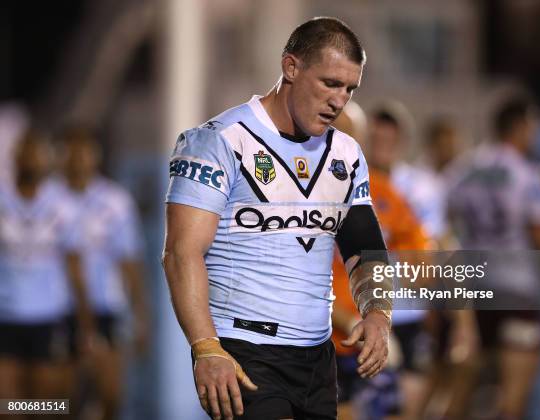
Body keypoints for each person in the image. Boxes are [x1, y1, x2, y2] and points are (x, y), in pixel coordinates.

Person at [162, 17, 392, 420]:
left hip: (318, 357)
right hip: (245, 351)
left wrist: (377, 314)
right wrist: (205, 347)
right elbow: (181, 253)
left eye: (350, 88)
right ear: (291, 67)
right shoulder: (220, 140)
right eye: (330, 83)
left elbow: (365, 249)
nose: (340, 101)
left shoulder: (347, 154)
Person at [446, 97, 540, 420]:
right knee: (512, 401)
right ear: (521, 126)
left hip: (475, 289)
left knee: (461, 394)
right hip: (518, 289)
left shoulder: (466, 168)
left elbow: (446, 225)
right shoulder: (527, 173)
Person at [331, 102, 429, 420]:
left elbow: (419, 257)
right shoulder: (289, 192)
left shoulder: (381, 192)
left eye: (348, 138)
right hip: (317, 339)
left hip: (367, 334)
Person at [0, 131, 95, 417]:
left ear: (46, 161)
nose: (30, 160)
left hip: (49, 316)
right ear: (15, 158)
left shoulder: (61, 205)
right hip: (6, 315)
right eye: (24, 153)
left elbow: (75, 268)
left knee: (48, 403)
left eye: (37, 154)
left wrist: (86, 327)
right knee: (7, 404)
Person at [60, 127, 150, 420]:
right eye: (71, 150)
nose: (77, 159)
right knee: (62, 399)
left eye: (84, 151)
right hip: (57, 310)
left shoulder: (115, 201)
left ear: (95, 155)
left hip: (106, 309)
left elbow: (130, 261)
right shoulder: (49, 197)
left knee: (111, 395)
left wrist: (141, 316)